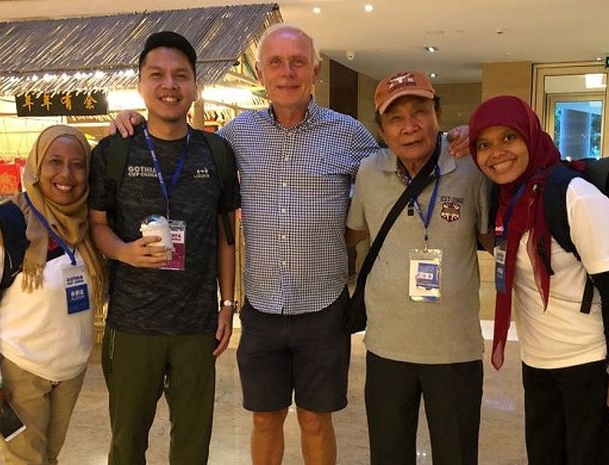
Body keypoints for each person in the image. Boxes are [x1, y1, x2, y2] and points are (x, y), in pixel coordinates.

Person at [109, 24, 469, 465]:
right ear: (261, 73)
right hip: (260, 308)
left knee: (317, 420)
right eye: (276, 63)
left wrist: (458, 138)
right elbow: (181, 143)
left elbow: (405, 153)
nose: (287, 72)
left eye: (298, 62)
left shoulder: (350, 135)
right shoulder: (235, 137)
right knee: (265, 418)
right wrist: (131, 121)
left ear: (315, 70)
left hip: (323, 308)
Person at [88, 31, 240, 465]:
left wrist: (227, 304)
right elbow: (97, 224)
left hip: (196, 328)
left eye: (181, 75)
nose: (169, 85)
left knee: (193, 446)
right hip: (132, 325)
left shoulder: (216, 152)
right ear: (140, 83)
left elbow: (226, 235)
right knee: (127, 443)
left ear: (195, 86)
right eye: (157, 75)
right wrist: (123, 252)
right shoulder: (115, 149)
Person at [468, 95, 609, 465]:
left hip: (594, 362)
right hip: (539, 362)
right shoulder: (506, 198)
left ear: (531, 136)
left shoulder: (575, 196)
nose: (496, 153)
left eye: (508, 138)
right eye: (483, 144)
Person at [346, 71, 492, 465]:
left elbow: (494, 240)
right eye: (395, 118)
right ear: (381, 128)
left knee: (457, 456)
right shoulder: (369, 173)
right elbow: (352, 234)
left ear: (438, 114)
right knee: (389, 455)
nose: (410, 127)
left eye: (420, 112)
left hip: (455, 349)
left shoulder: (470, 167)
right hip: (387, 346)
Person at [0, 125, 105, 464]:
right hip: (20, 371)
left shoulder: (88, 227)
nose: (66, 174)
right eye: (54, 162)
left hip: (70, 371)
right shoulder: (5, 225)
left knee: (48, 457)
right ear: (36, 166)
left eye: (77, 165)